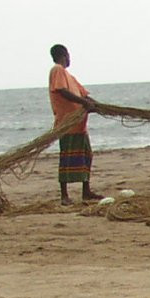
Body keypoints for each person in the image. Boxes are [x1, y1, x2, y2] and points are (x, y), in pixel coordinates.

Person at [48, 44, 99, 204]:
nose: (70, 59)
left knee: (86, 156)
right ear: (64, 55)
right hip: (67, 124)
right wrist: (83, 102)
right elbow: (62, 91)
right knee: (67, 158)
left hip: (79, 126)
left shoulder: (70, 77)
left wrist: (96, 105)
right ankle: (64, 195)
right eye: (69, 55)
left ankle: (86, 191)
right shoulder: (57, 70)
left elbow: (84, 95)